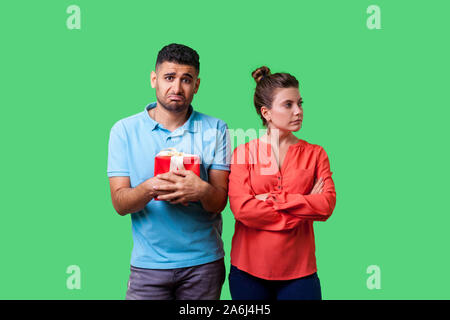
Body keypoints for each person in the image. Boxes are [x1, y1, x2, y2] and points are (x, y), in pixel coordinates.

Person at [107, 43, 231, 300]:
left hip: (203, 264)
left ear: (196, 85)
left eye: (186, 80)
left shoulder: (217, 128)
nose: (176, 88)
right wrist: (151, 186)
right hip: (147, 266)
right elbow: (120, 203)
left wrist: (201, 189)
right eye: (169, 78)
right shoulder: (123, 130)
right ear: (154, 79)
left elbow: (219, 200)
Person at [227, 66, 337, 300]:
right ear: (266, 112)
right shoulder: (243, 153)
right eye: (288, 105)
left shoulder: (316, 154)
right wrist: (306, 206)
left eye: (300, 103)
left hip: (300, 273)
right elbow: (242, 210)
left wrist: (273, 200)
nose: (298, 111)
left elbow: (326, 205)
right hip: (247, 272)